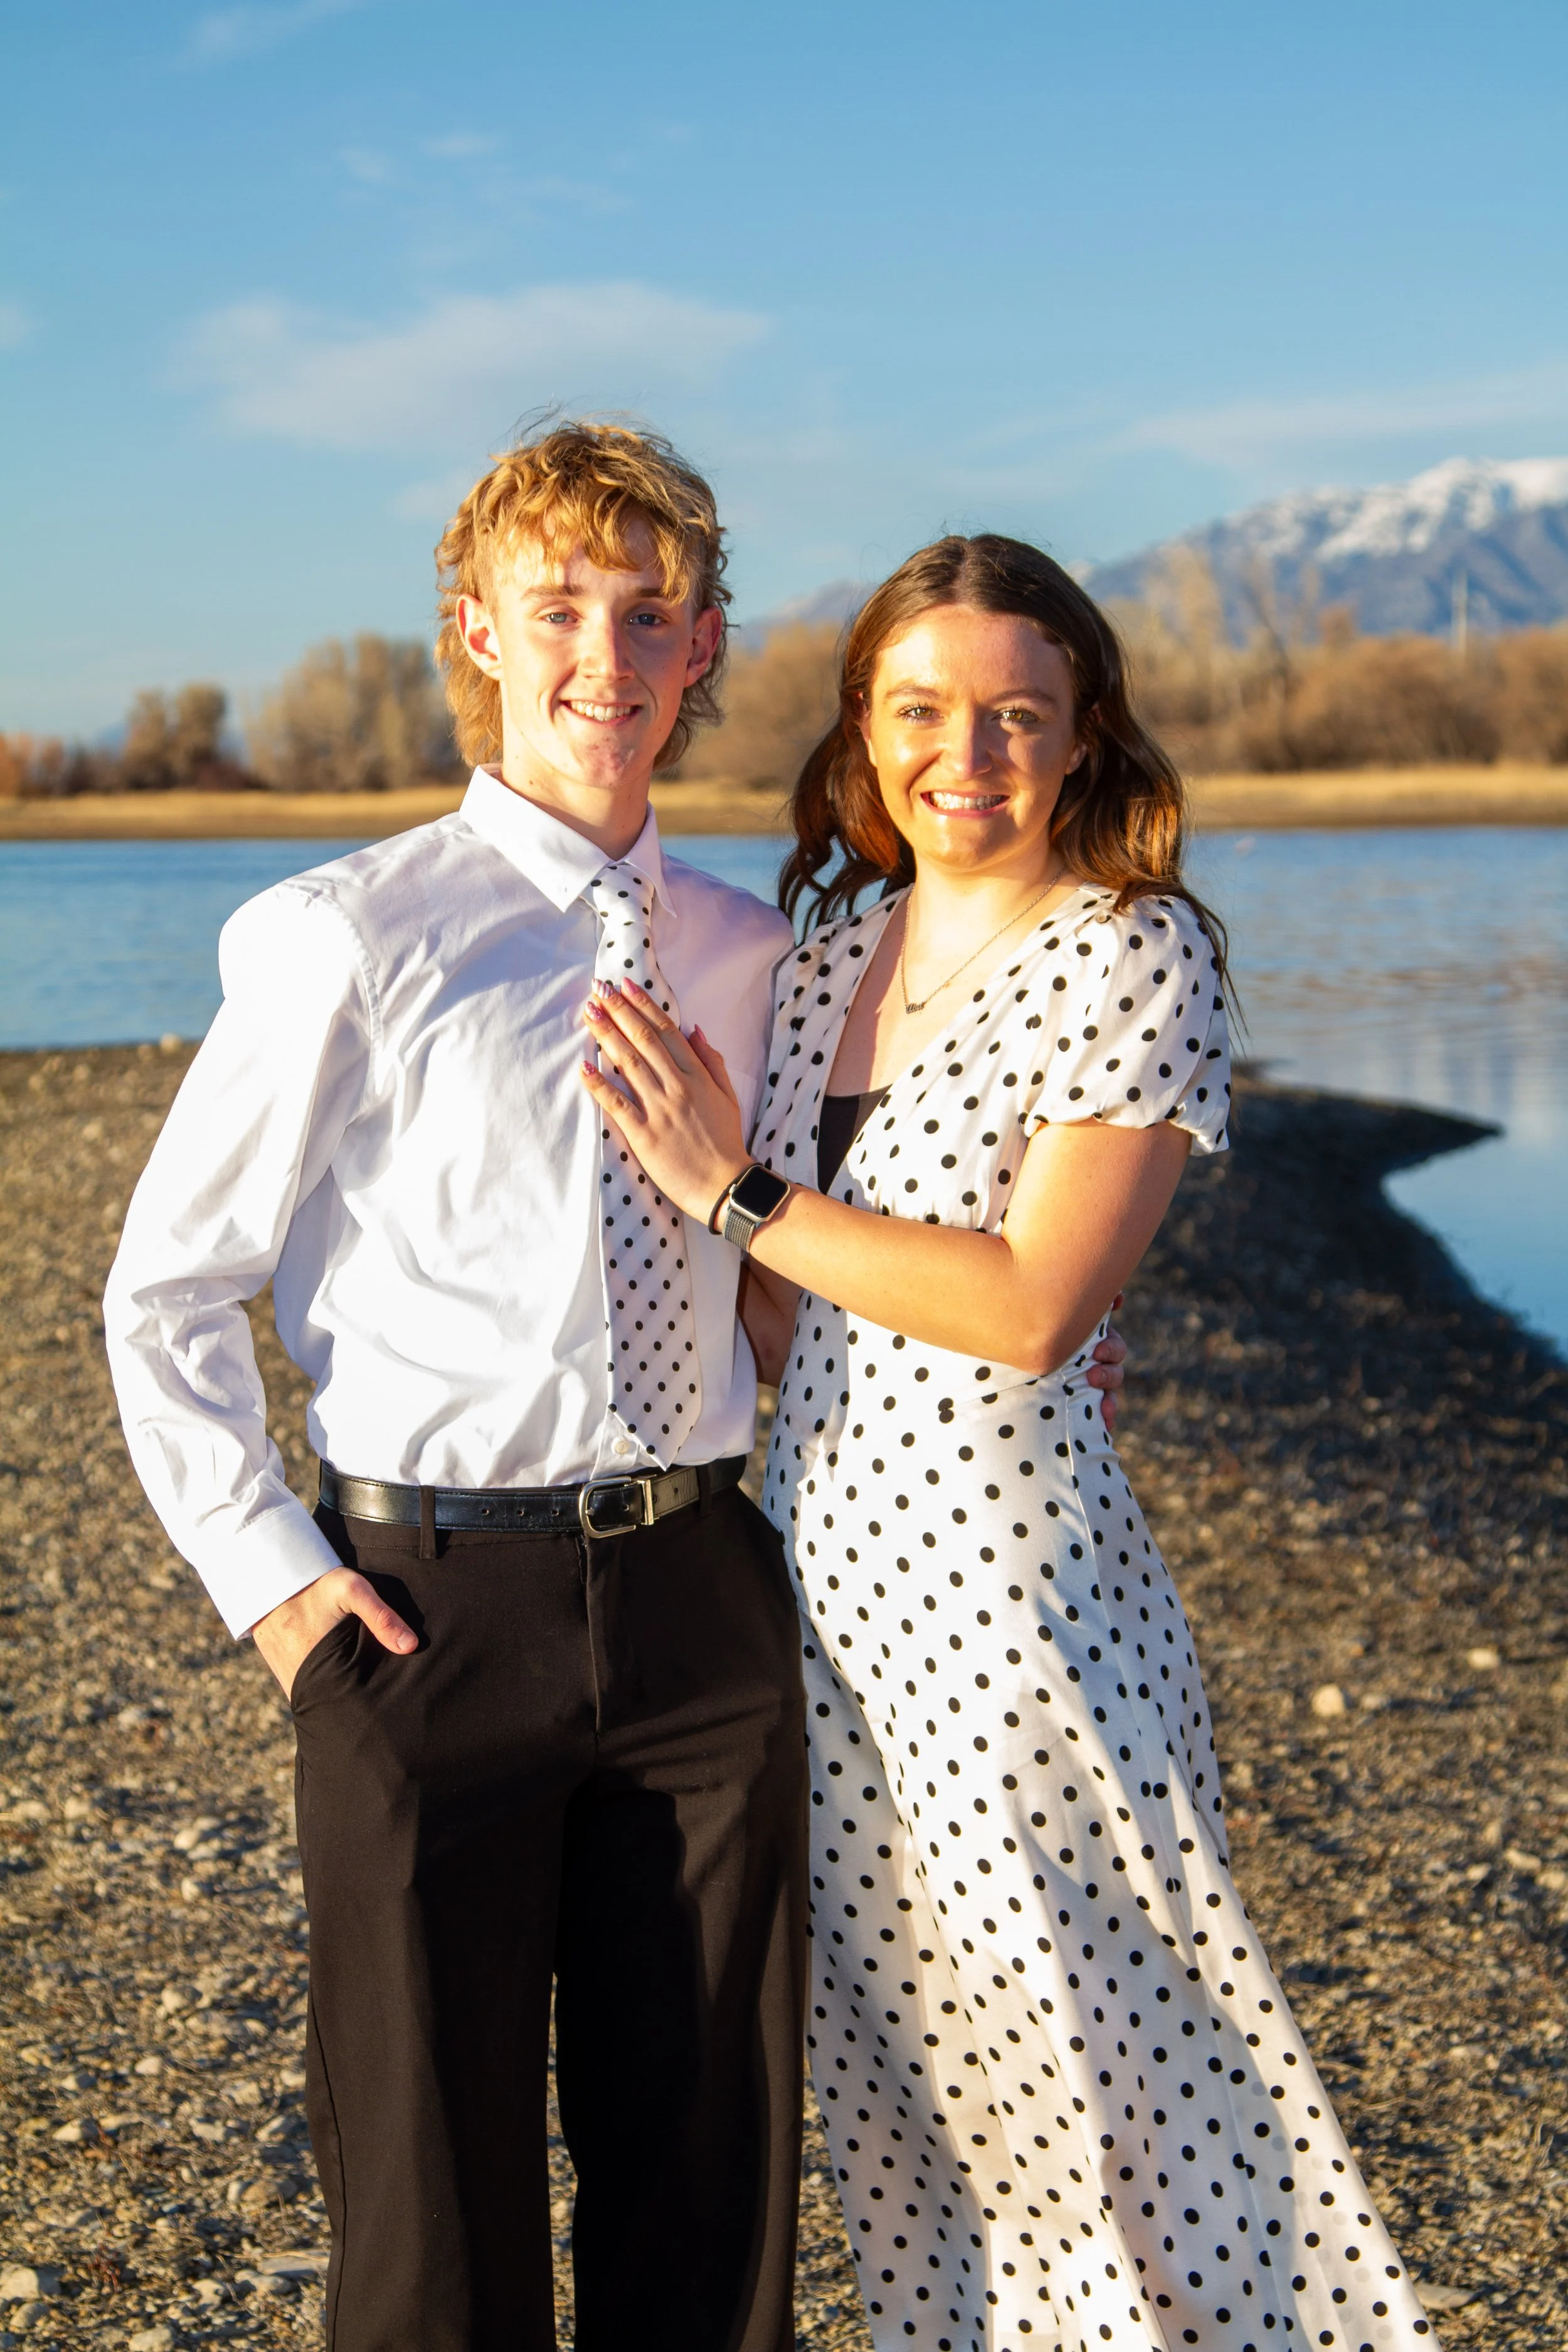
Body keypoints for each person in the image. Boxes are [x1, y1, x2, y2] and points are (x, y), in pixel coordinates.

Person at [580, 533, 1434, 2352]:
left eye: (1011, 714)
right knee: (921, 2116)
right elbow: (786, 1317)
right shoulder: (819, 967)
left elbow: (1032, 1305)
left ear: (1079, 734)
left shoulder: (1132, 953)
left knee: (1109, 2088)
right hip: (814, 1603)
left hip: (1012, 1610)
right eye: (917, 709)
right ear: (861, 731)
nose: (960, 753)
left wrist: (724, 1185)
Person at [104, 420, 817, 2352]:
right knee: (432, 2225)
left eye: (648, 612)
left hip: (699, 1610)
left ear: (703, 648)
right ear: (476, 635)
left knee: (711, 2188)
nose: (606, 649)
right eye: (559, 605)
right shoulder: (347, 936)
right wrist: (277, 1595)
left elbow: (793, 1268)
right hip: (428, 1618)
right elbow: (165, 1294)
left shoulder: (752, 954)